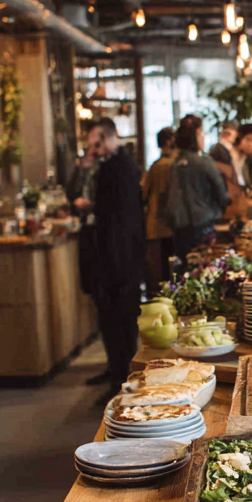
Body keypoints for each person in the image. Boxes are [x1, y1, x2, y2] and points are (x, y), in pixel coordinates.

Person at [76, 118, 145, 394]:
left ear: (106, 138)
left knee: (122, 319)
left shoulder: (123, 167)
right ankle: (114, 368)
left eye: (95, 142)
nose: (93, 149)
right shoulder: (102, 167)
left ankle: (123, 377)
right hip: (104, 256)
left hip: (122, 257)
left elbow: (121, 214)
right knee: (107, 316)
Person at [166, 114, 230, 264]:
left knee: (184, 265)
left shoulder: (174, 163)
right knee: (202, 267)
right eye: (202, 132)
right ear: (196, 135)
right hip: (203, 223)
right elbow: (221, 193)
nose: (204, 137)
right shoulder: (204, 162)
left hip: (179, 225)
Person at [142, 127, 175, 288]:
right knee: (170, 272)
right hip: (171, 225)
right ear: (169, 143)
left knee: (159, 273)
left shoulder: (156, 167)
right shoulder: (172, 166)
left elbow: (143, 193)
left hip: (156, 225)